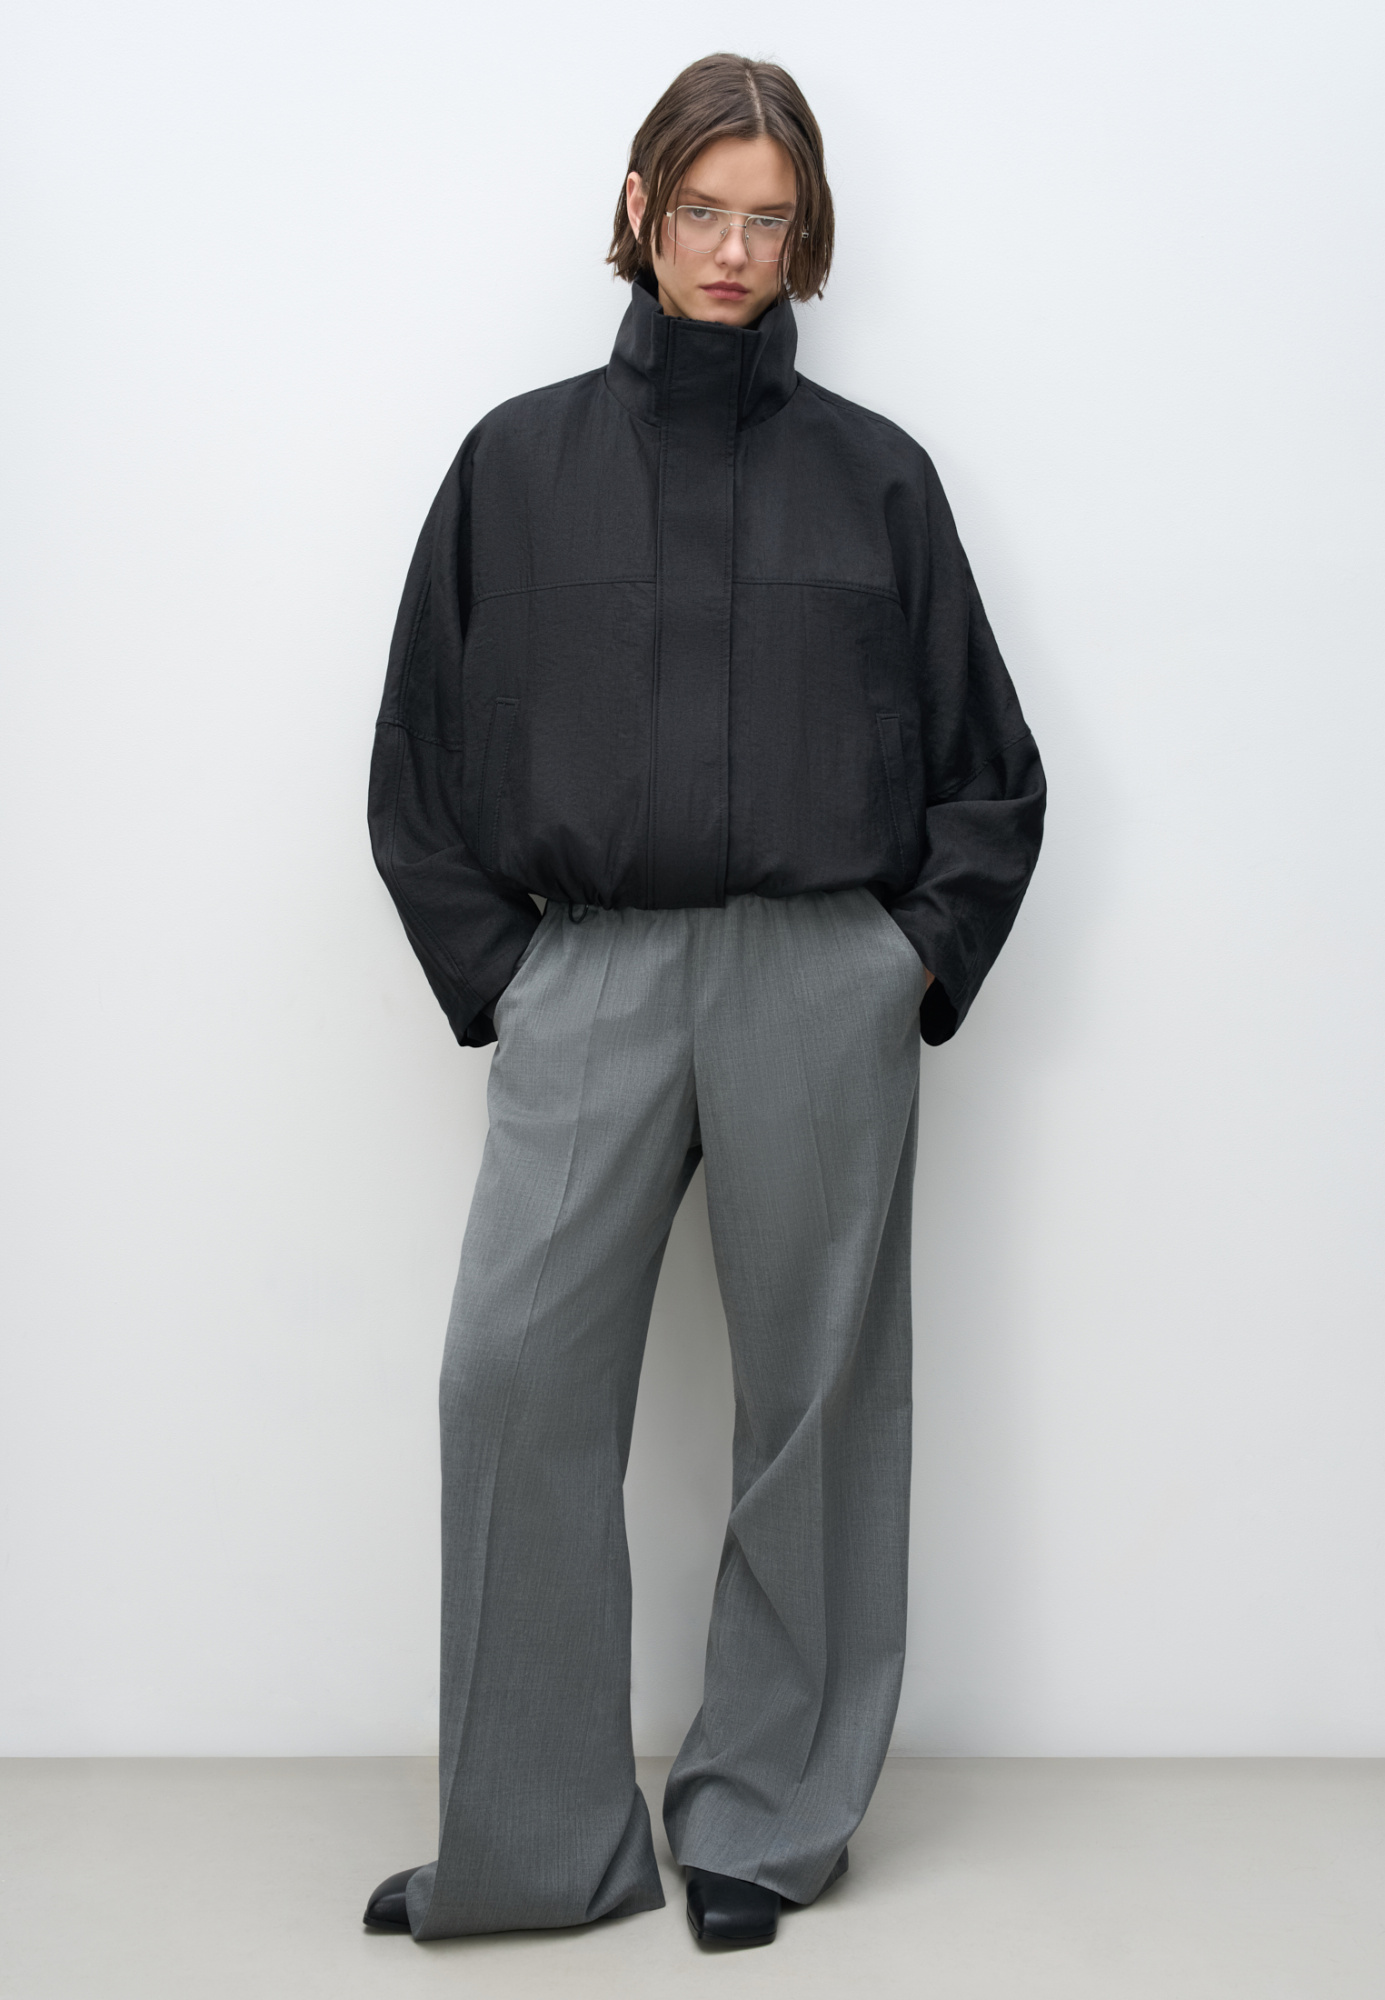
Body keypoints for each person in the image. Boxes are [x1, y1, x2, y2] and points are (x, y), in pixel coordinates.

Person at [362, 52, 1044, 1951]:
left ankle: (766, 1811)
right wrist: (509, 976)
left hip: (815, 980)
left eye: (768, 219)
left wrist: (900, 962)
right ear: (640, 210)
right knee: (509, 1378)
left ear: (803, 235)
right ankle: (532, 1841)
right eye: (701, 211)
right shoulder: (515, 467)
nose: (732, 250)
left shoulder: (875, 479)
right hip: (585, 968)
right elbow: (415, 755)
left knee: (816, 1404)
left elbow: (989, 772)